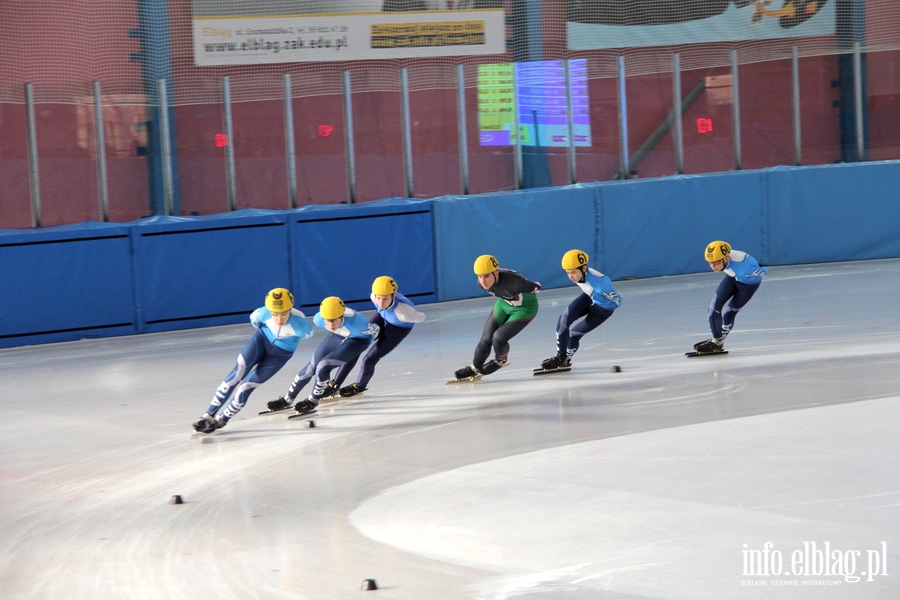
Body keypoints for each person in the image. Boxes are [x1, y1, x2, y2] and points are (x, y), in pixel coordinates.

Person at [192, 288, 313, 434]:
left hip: (280, 354)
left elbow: (307, 335)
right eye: (274, 314)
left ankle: (222, 420)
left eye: (284, 313)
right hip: (261, 341)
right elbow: (255, 322)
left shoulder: (301, 323)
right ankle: (208, 415)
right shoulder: (261, 313)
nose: (279, 319)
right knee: (236, 375)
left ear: (291, 308)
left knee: (246, 387)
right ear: (269, 310)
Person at [267, 296, 379, 415]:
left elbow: (374, 332)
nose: (331, 324)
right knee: (310, 368)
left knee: (323, 366)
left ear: (342, 316)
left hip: (357, 341)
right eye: (328, 320)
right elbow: (331, 325)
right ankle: (287, 399)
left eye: (334, 320)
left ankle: (313, 400)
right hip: (338, 335)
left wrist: (355, 351)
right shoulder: (318, 319)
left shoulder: (358, 324)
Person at [332, 276, 426, 397]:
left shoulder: (404, 313)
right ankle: (335, 383)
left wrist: (411, 315)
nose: (381, 302)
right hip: (382, 317)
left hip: (398, 328)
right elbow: (381, 304)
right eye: (379, 298)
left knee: (369, 360)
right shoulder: (374, 297)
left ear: (394, 295)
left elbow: (421, 317)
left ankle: (360, 386)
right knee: (355, 347)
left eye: (385, 299)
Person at [454, 254, 541, 380]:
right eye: (480, 276)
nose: (483, 281)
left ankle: (500, 359)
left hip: (525, 308)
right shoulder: (481, 283)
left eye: (487, 276)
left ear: (496, 273)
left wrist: (533, 287)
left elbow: (537, 287)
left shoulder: (515, 283)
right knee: (486, 338)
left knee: (498, 337)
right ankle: (474, 368)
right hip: (504, 303)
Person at [540, 249, 622, 370]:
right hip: (589, 298)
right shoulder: (580, 274)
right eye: (567, 273)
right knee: (563, 321)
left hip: (602, 310)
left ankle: (566, 359)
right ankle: (561, 358)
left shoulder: (601, 284)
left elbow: (618, 301)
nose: (570, 277)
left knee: (573, 335)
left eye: (573, 272)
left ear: (584, 269)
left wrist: (613, 299)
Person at [693, 240, 767, 353]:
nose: (713, 266)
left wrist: (759, 271)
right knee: (713, 307)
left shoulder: (744, 266)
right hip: (733, 277)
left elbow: (763, 271)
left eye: (716, 262)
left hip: (748, 285)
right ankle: (716, 341)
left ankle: (717, 343)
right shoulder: (725, 257)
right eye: (710, 262)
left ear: (726, 258)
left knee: (729, 312)